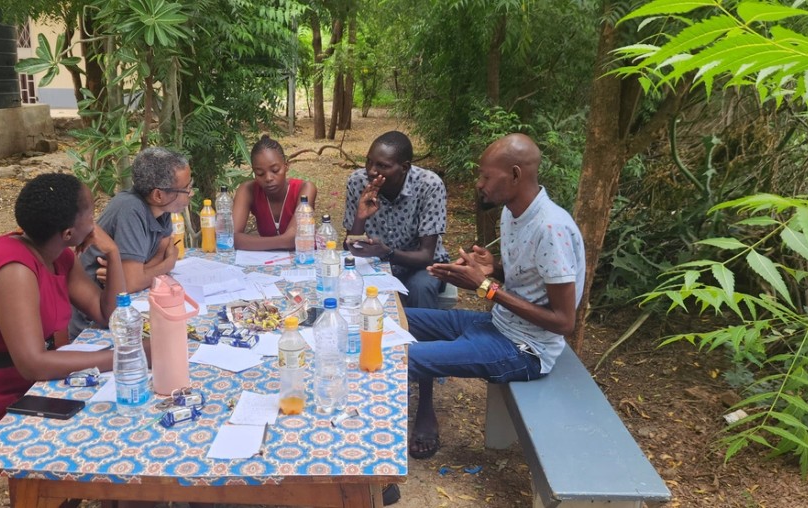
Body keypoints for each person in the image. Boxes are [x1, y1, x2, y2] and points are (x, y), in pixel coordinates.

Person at [405, 133, 585, 460]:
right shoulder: (512, 213)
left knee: (402, 359)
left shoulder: (550, 228)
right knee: (397, 316)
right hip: (497, 325)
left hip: (524, 349)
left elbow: (563, 322)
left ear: (516, 175)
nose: (479, 183)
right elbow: (530, 278)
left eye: (487, 176)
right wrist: (494, 269)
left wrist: (485, 286)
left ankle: (372, 461)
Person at [0, 173, 126, 451]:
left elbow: (108, 316)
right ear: (68, 233)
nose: (95, 221)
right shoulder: (14, 269)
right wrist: (121, 357)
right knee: (110, 432)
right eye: (91, 215)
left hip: (36, 386)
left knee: (121, 418)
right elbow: (32, 364)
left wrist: (113, 254)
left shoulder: (59, 256)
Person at [68, 147, 192, 337]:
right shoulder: (130, 209)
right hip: (93, 322)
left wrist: (142, 272)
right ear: (158, 195)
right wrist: (167, 264)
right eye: (186, 189)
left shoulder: (164, 209)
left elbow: (160, 254)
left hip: (120, 306)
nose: (190, 193)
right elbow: (134, 281)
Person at [344, 131, 449, 309]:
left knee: (420, 287)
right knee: (350, 284)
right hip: (378, 262)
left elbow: (426, 256)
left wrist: (387, 253)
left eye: (382, 166)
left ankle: (423, 336)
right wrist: (360, 217)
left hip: (421, 266)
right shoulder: (357, 182)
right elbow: (350, 248)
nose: (371, 171)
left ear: (404, 167)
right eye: (368, 161)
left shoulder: (429, 185)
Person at [231, 135, 318, 251]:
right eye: (260, 173)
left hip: (303, 260)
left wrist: (249, 242)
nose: (268, 178)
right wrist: (285, 241)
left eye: (275, 170)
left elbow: (294, 238)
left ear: (286, 166)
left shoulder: (305, 189)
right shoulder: (248, 190)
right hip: (267, 263)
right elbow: (230, 237)